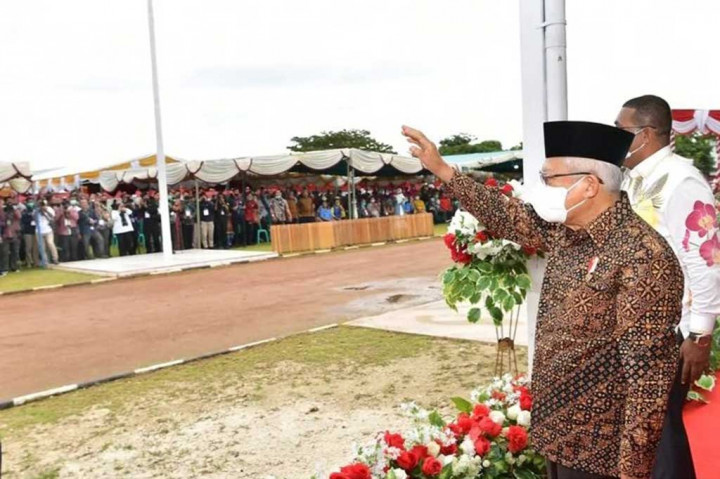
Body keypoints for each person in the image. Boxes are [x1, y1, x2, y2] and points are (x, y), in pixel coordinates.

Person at [403, 121, 685, 479]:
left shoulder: (643, 255)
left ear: (589, 185)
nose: (542, 188)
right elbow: (506, 215)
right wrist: (443, 169)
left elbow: (647, 381)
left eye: (549, 178)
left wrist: (633, 472)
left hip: (601, 451)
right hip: (557, 434)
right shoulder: (566, 231)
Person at [616, 95, 720, 479]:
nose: (614, 137)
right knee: (645, 436)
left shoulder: (682, 181)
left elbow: (706, 262)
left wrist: (700, 335)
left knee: (660, 436)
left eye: (620, 130)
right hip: (635, 326)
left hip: (667, 329)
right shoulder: (633, 179)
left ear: (644, 135)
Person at [37, 199, 59, 265]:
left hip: (48, 230)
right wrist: (39, 211)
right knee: (42, 246)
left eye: (44, 204)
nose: (43, 206)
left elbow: (52, 217)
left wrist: (45, 211)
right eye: (41, 205)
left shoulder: (49, 209)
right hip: (39, 231)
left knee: (50, 243)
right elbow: (34, 218)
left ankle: (55, 258)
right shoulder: (36, 210)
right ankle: (45, 261)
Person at [21, 200, 39, 268]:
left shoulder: (35, 214)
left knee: (35, 248)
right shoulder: (25, 214)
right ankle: (29, 262)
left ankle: (35, 262)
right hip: (27, 232)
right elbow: (24, 222)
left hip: (35, 232)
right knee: (28, 248)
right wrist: (31, 217)